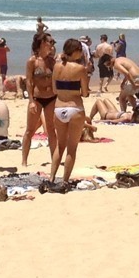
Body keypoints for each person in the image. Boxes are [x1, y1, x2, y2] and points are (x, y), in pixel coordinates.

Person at [49, 38, 89, 187]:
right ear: (76, 51)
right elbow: (84, 93)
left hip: (59, 107)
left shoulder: (57, 66)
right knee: (72, 148)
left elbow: (54, 90)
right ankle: (65, 181)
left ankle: (52, 178)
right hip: (74, 107)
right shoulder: (80, 69)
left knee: (60, 146)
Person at [22, 32, 57, 166]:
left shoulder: (52, 61)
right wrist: (31, 100)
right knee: (30, 130)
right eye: (50, 42)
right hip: (36, 98)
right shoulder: (32, 61)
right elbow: (29, 82)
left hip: (51, 98)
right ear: (42, 43)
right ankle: (24, 160)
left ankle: (54, 158)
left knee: (51, 129)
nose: (52, 45)